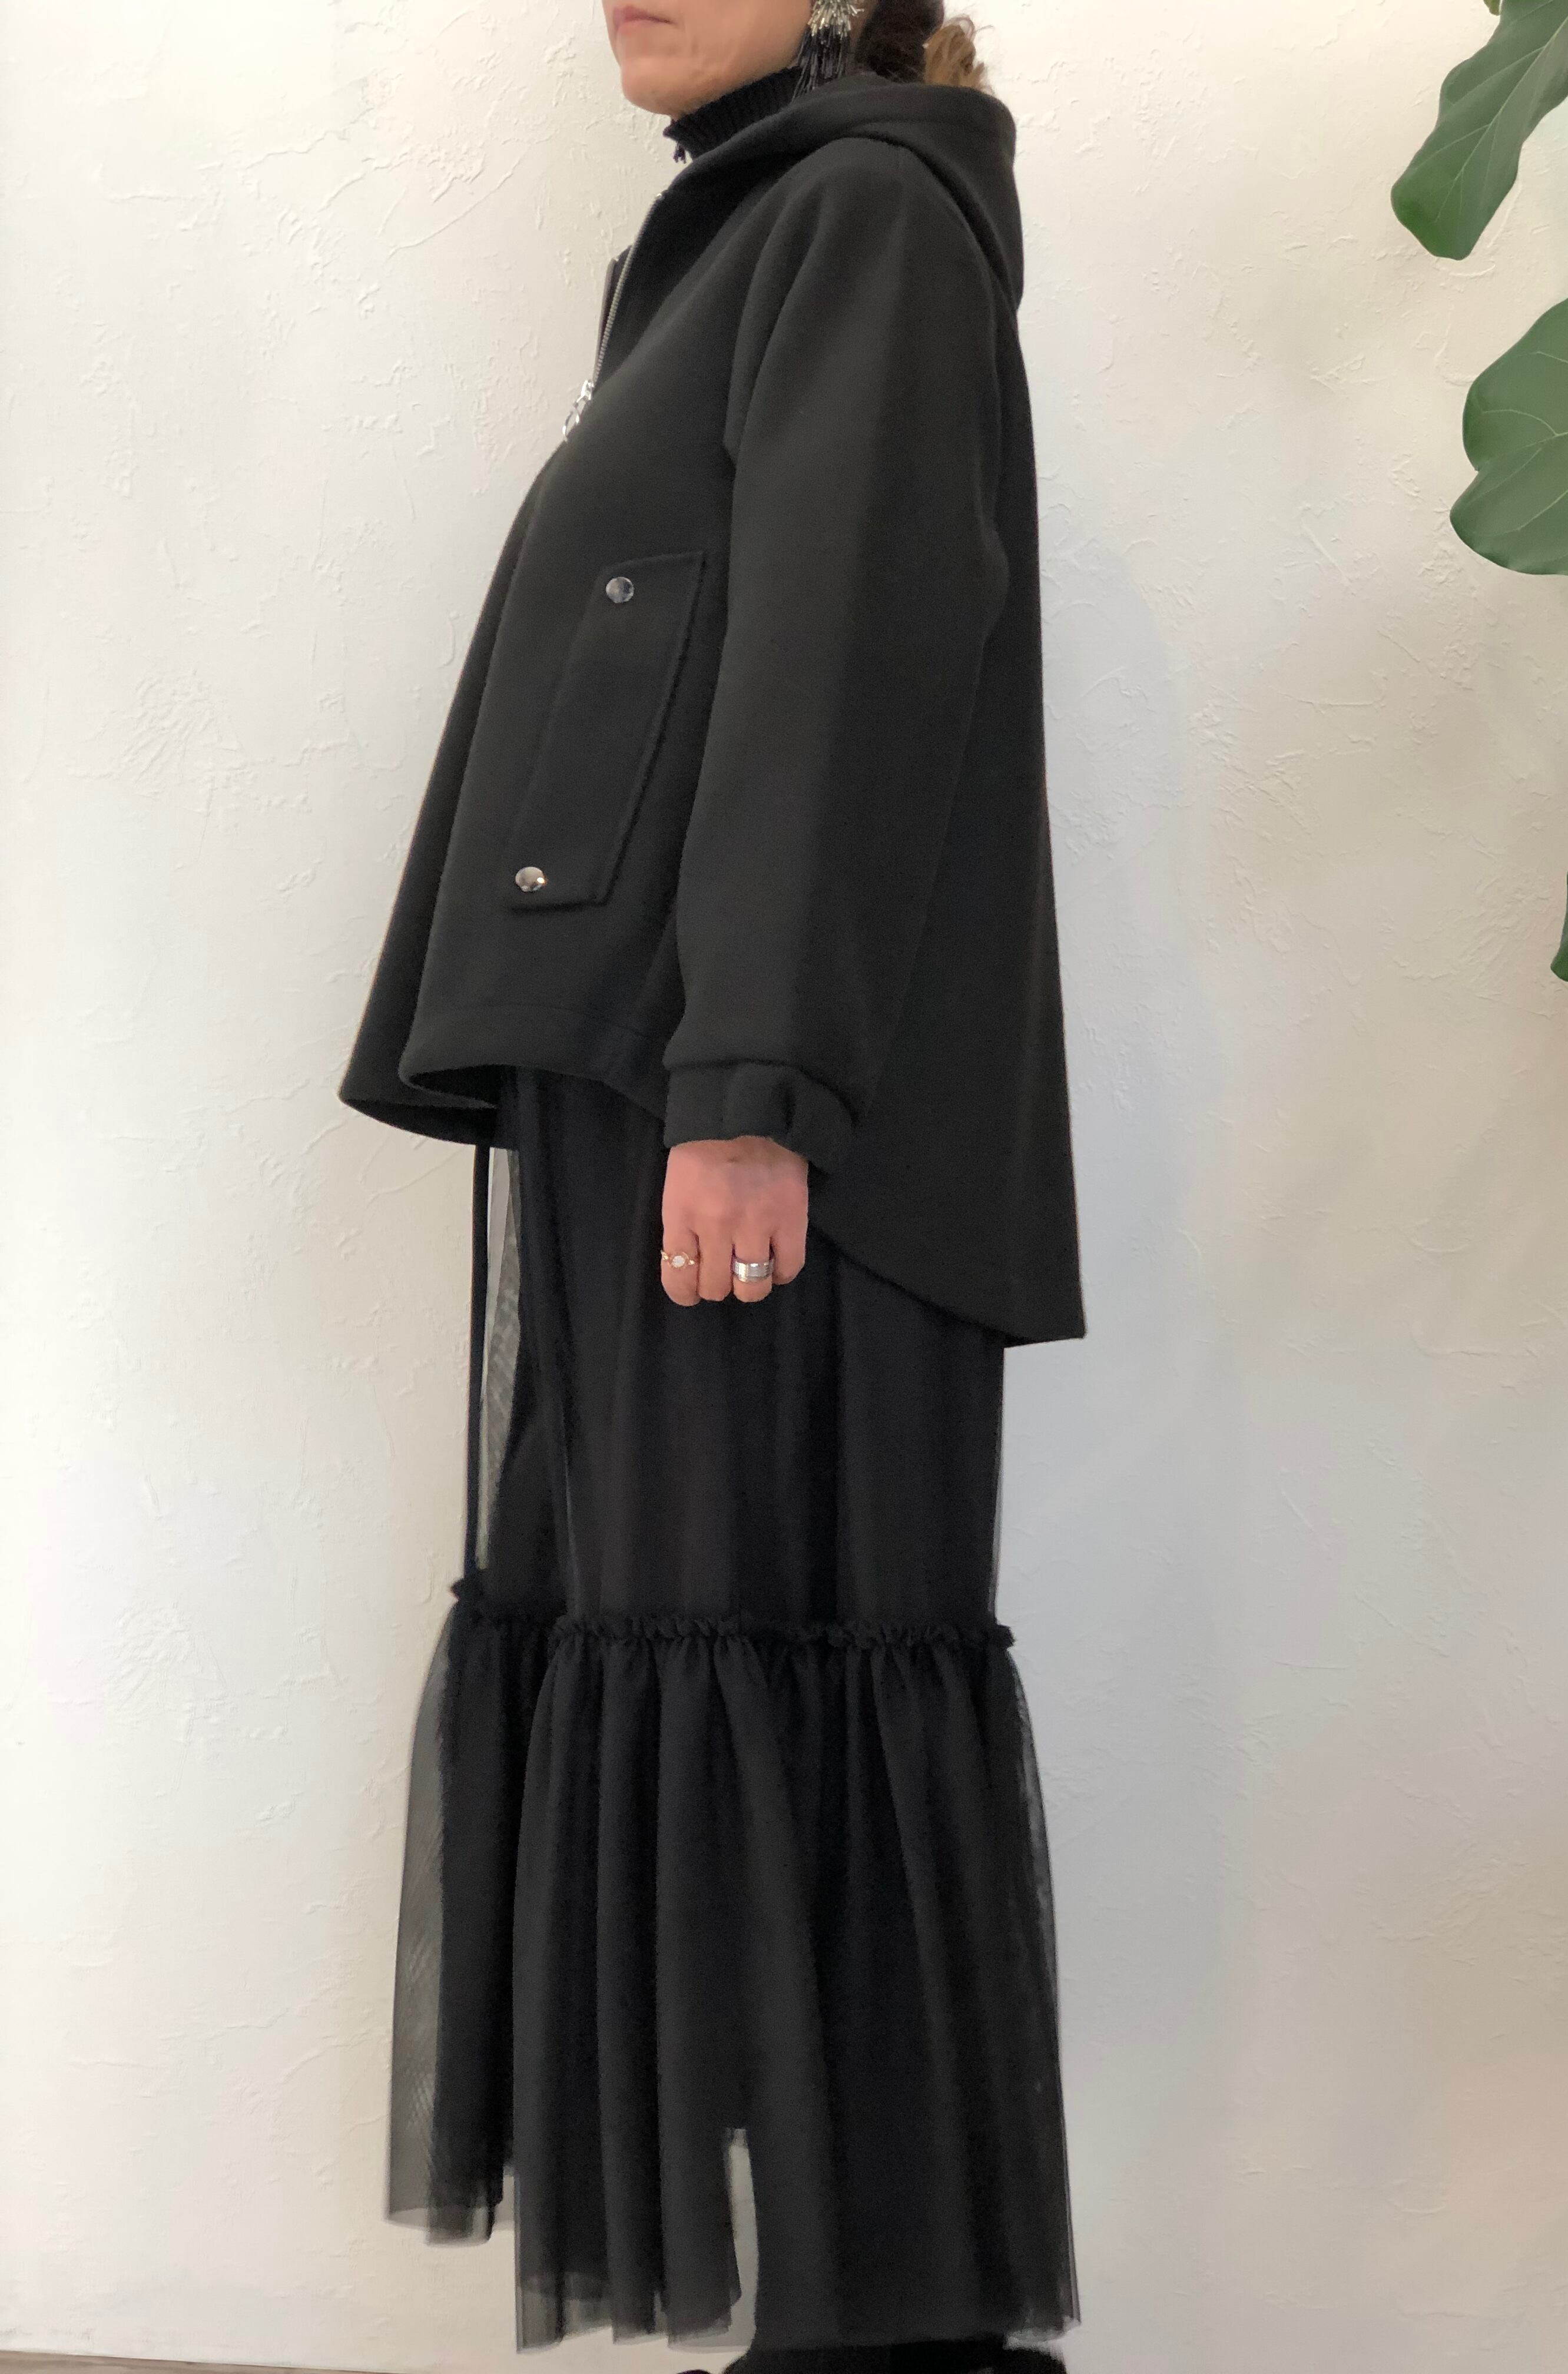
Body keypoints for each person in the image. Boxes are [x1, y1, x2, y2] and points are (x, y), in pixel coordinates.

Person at [339, 2, 1083, 2368]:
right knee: (719, 1664)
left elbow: (845, 654)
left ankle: (891, 2346)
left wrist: (750, 1083)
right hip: (671, 1080)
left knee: (779, 1666)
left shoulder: (865, 216)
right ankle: (851, 2337)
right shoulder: (760, 221)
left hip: (757, 1119)